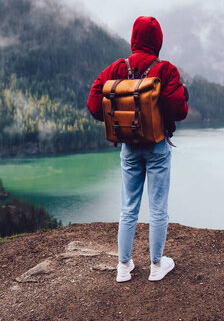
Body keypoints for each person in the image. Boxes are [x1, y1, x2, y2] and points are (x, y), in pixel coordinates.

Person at [87, 16, 188, 282]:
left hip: (129, 147)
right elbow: (180, 110)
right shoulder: (165, 70)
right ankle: (156, 265)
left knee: (128, 208)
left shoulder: (118, 68)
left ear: (133, 38)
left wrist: (116, 117)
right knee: (158, 208)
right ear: (158, 41)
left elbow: (94, 103)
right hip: (156, 147)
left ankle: (123, 266)